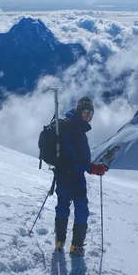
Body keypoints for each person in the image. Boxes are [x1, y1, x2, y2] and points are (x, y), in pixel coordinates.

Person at [55, 96, 108, 257]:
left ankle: (59, 241)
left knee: (63, 207)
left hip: (62, 174)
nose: (88, 115)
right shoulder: (77, 129)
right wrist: (96, 169)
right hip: (75, 176)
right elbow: (82, 161)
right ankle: (76, 246)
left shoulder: (67, 125)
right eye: (86, 111)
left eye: (91, 112)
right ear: (79, 110)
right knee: (81, 210)